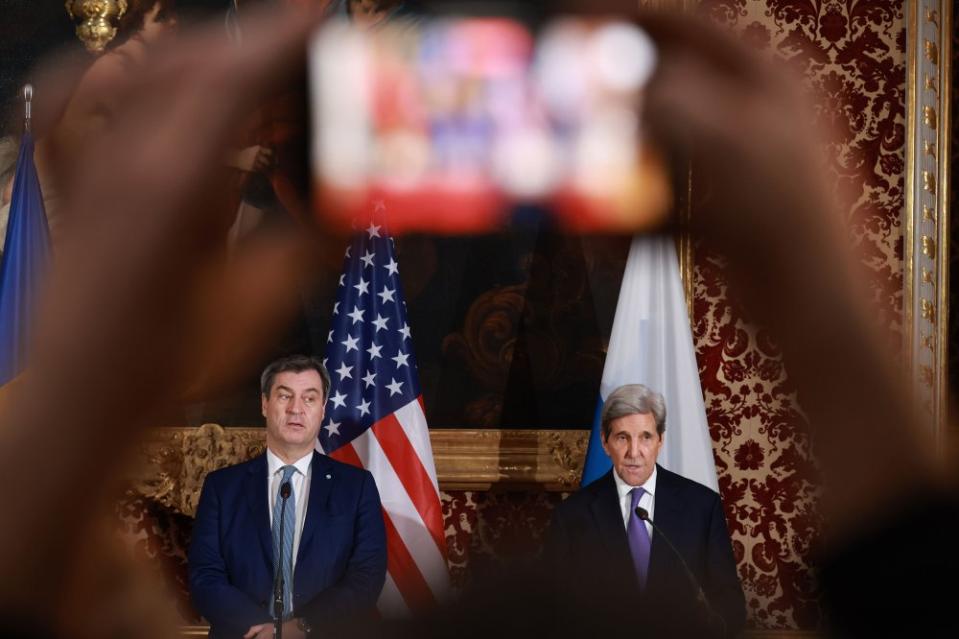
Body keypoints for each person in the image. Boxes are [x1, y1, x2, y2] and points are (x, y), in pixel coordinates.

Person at [189, 354, 387, 639]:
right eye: (284, 396)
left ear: (322, 410)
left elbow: (366, 577)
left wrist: (304, 626)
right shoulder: (222, 487)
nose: (296, 409)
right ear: (264, 404)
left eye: (309, 399)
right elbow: (205, 576)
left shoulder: (356, 487)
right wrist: (267, 633)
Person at [545, 383, 745, 638]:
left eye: (645, 437)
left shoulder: (702, 506)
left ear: (660, 440)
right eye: (622, 437)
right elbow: (554, 611)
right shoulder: (571, 516)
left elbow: (730, 604)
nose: (634, 452)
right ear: (605, 442)